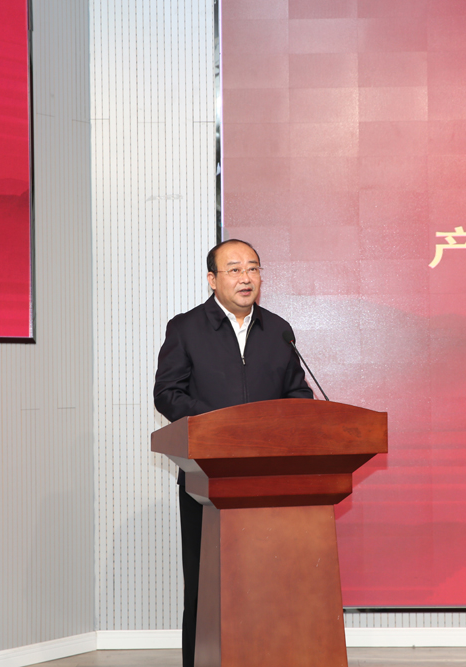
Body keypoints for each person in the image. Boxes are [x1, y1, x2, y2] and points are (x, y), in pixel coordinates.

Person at [153, 239, 313, 667]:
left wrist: (294, 419)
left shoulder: (278, 330)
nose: (246, 277)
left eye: (253, 268)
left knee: (267, 579)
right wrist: (219, 425)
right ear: (213, 279)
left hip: (268, 479)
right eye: (235, 269)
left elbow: (297, 393)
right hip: (206, 477)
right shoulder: (186, 328)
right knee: (205, 583)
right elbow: (167, 393)